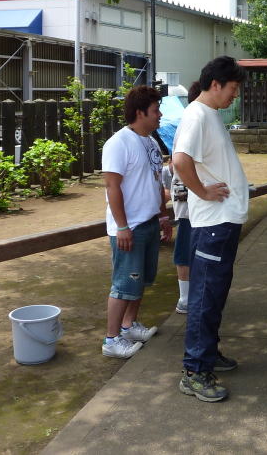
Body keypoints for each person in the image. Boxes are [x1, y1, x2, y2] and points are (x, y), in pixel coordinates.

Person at [173, 56, 248, 403]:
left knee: (214, 294)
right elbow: (180, 160)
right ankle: (194, 371)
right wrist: (201, 191)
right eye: (232, 89)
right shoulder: (197, 114)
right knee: (204, 296)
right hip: (212, 224)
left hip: (224, 221)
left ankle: (208, 353)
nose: (235, 96)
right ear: (215, 84)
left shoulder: (211, 115)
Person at [100, 85, 172, 359]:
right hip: (128, 227)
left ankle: (129, 326)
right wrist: (121, 226)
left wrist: (162, 215)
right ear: (140, 112)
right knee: (122, 284)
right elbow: (112, 188)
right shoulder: (118, 143)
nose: (160, 115)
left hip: (149, 222)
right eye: (155, 110)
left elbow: (155, 183)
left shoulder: (152, 142)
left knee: (139, 281)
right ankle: (111, 339)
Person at [165, 80, 202, 314]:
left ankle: (191, 295)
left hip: (193, 194)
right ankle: (185, 299)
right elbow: (178, 162)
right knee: (186, 246)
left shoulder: (193, 119)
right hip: (189, 196)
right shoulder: (193, 120)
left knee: (193, 245)